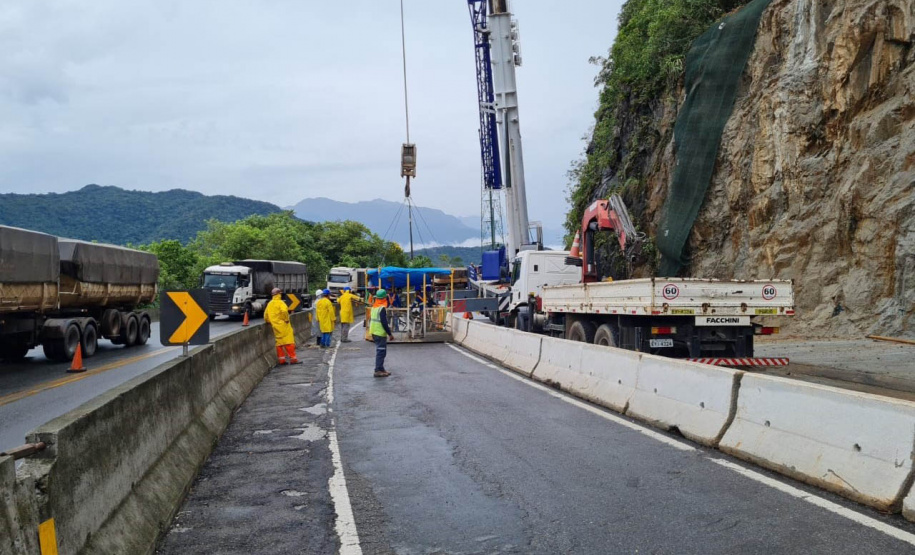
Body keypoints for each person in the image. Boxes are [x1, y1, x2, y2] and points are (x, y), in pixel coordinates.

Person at [264, 288, 299, 365]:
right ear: (279, 294)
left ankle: (282, 360)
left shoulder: (270, 303)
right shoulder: (281, 303)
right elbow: (284, 311)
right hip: (283, 325)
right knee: (289, 341)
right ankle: (293, 359)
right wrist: (286, 319)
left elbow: (266, 315)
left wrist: (268, 321)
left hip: (275, 326)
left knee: (279, 343)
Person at [370, 289, 395, 377]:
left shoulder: (374, 307)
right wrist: (390, 334)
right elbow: (384, 322)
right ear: (384, 298)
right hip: (379, 332)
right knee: (381, 352)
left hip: (374, 332)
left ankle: (381, 368)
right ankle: (377, 370)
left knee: (382, 351)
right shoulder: (382, 309)